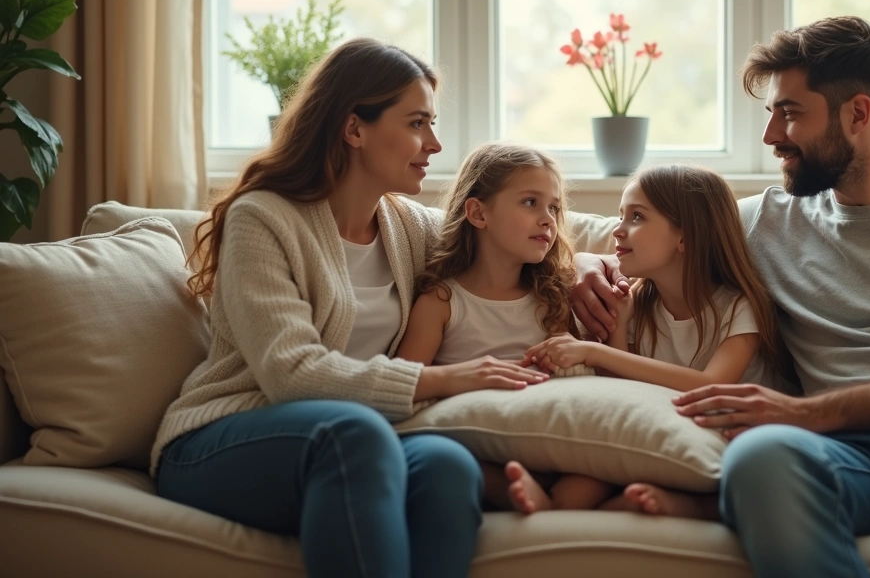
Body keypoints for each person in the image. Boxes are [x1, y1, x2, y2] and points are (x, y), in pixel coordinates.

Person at [572, 16, 870, 578]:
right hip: (852, 460)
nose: (770, 137)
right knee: (760, 456)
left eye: (789, 113)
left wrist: (808, 412)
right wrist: (586, 263)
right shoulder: (763, 223)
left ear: (857, 114)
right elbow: (664, 242)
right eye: (770, 116)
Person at [153, 38, 549, 578]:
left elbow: (502, 238)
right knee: (354, 433)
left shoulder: (410, 228)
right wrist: (447, 379)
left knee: (448, 464)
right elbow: (291, 375)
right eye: (416, 123)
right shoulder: (263, 220)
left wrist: (592, 268)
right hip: (223, 437)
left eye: (432, 124)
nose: (434, 143)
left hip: (356, 443)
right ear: (354, 128)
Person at [522, 164, 785, 519]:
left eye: (637, 217)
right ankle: (550, 513)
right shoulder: (639, 301)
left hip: (729, 438)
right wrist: (619, 325)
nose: (617, 230)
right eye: (620, 216)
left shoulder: (737, 305)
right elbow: (623, 391)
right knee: (582, 481)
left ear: (685, 236)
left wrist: (591, 349)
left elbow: (712, 384)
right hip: (664, 434)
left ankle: (689, 505)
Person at [394, 142, 596, 512]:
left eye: (554, 207)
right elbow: (409, 384)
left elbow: (582, 376)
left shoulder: (551, 298)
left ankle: (550, 501)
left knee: (589, 479)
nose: (548, 219)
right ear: (478, 213)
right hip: (482, 443)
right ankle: (524, 495)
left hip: (549, 438)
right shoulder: (441, 301)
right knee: (464, 462)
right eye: (530, 202)